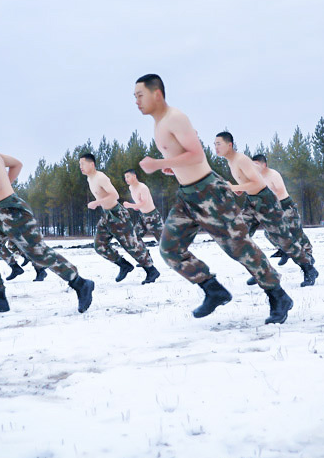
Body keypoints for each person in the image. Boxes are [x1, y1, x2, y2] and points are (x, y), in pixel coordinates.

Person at [134, 74, 293, 323]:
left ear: (157, 94)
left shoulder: (174, 117)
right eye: (134, 96)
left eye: (140, 95)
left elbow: (197, 155)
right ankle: (213, 290)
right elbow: (186, 156)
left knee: (239, 247)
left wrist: (158, 163)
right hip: (187, 196)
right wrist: (172, 168)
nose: (136, 101)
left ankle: (278, 294)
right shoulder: (159, 123)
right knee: (169, 249)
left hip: (209, 192)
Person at [0, 119, 94, 314]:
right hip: (2, 213)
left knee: (38, 253)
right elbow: (17, 165)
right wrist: (6, 184)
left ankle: (81, 284)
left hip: (12, 212)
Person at [215, 133, 318, 287]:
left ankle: (308, 268)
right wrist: (238, 190)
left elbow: (258, 184)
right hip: (251, 202)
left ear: (229, 145)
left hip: (265, 200)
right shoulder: (231, 162)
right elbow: (249, 184)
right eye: (214, 144)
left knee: (284, 240)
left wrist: (235, 187)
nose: (215, 148)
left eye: (219, 144)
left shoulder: (241, 160)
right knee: (238, 237)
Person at [81, 153, 160, 284]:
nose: (81, 167)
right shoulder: (90, 179)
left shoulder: (101, 178)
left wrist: (96, 202)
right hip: (107, 215)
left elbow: (115, 195)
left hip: (118, 215)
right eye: (80, 164)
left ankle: (151, 270)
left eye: (83, 164)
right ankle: (124, 265)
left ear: (92, 164)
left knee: (131, 245)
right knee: (99, 246)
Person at [249, 154, 314, 267]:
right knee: (269, 233)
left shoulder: (273, 174)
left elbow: (279, 191)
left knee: (296, 231)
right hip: (272, 208)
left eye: (256, 164)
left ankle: (308, 254)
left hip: (285, 206)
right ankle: (284, 250)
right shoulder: (256, 177)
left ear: (264, 165)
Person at [122, 168, 163, 243]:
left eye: (128, 176)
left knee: (164, 243)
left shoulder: (143, 187)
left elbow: (144, 203)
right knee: (134, 238)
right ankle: (145, 254)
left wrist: (130, 205)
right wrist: (137, 207)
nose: (126, 179)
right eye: (125, 177)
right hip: (143, 217)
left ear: (134, 176)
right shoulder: (130, 187)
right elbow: (139, 202)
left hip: (153, 217)